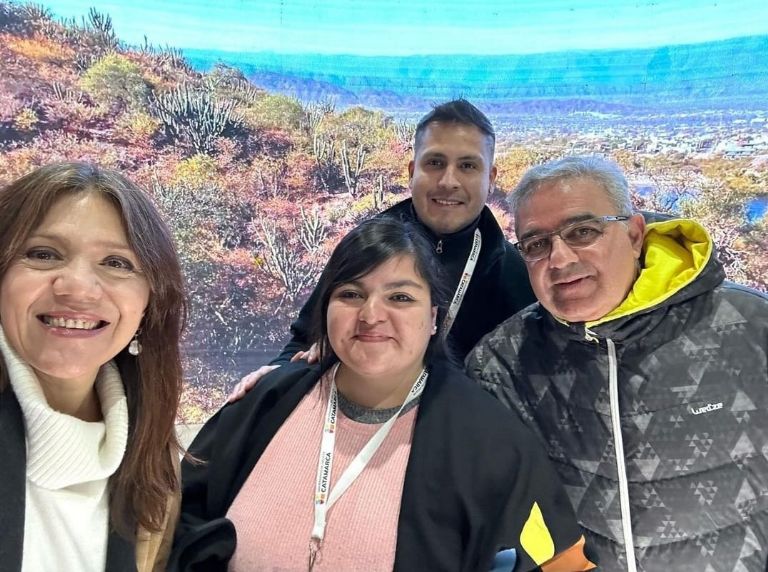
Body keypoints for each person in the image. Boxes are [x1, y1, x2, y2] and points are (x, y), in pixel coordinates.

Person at [171, 218, 593, 572]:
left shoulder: (487, 438)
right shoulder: (267, 400)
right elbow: (179, 517)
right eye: (351, 294)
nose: (371, 314)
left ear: (433, 318)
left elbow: (559, 562)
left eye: (400, 297)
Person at [466, 155, 768, 572]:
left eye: (583, 231)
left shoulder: (750, 328)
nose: (559, 258)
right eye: (536, 244)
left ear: (634, 234)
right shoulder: (502, 363)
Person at [228, 98, 535, 400]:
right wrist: (277, 377)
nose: (448, 181)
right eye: (435, 163)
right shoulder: (364, 247)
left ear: (490, 178)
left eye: (467, 166)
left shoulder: (513, 274)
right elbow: (305, 339)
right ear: (412, 171)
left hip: (457, 423)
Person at [0, 163, 187, 571]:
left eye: (117, 263)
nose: (78, 288)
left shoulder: (154, 461)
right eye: (43, 254)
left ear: (149, 305)